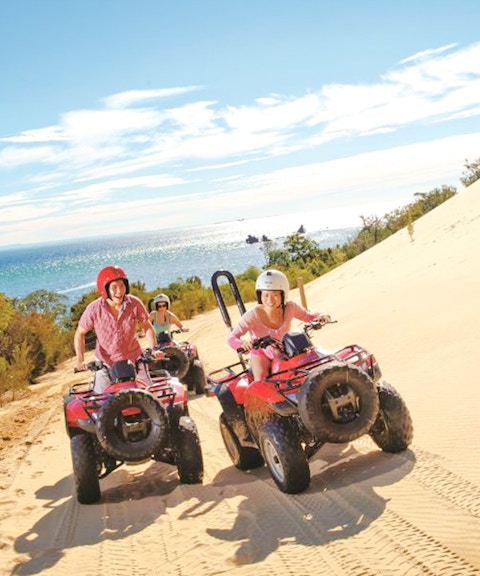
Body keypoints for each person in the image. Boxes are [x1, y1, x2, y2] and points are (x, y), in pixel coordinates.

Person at [227, 269, 330, 381]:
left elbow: (308, 316)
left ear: (283, 294)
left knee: (311, 368)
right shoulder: (253, 314)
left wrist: (321, 317)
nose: (269, 300)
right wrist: (241, 344)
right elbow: (232, 337)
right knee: (262, 382)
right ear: (259, 295)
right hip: (262, 353)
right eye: (265, 295)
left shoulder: (291, 307)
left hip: (288, 349)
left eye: (274, 295)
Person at [74, 265, 164, 393]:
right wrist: (80, 359)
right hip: (106, 364)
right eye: (114, 287)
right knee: (102, 402)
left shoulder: (134, 303)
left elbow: (147, 326)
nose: (119, 291)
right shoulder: (94, 309)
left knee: (151, 395)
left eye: (122, 286)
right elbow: (79, 334)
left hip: (134, 360)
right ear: (104, 289)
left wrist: (154, 349)